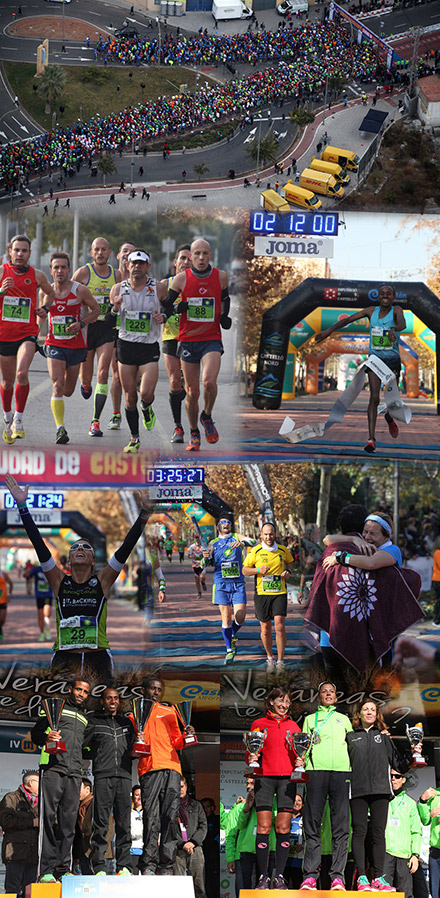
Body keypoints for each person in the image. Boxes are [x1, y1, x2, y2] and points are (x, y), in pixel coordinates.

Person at [5, 475, 154, 681]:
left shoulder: (102, 581)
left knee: (99, 711)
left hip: (98, 658)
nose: (80, 548)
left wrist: (145, 513)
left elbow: (125, 548)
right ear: (69, 560)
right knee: (60, 711)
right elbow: (39, 544)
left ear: (93, 560)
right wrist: (22, 505)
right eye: (75, 547)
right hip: (65, 658)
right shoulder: (59, 581)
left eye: (86, 547)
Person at [315, 285, 406, 453]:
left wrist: (394, 328)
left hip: (392, 360)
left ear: (393, 297)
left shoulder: (397, 310)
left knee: (394, 401)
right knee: (374, 397)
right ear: (378, 298)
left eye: (388, 294)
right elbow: (347, 320)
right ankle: (371, 438)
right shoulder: (371, 311)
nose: (385, 296)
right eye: (382, 294)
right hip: (375, 361)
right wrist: (329, 331)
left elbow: (402, 323)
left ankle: (388, 417)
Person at [162, 238, 230, 452]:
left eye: (205, 253)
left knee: (209, 382)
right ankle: (193, 432)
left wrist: (225, 316)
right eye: (197, 254)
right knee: (192, 392)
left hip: (211, 338)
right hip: (188, 339)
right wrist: (177, 308)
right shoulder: (180, 280)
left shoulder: (221, 277)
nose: (201, 258)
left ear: (210, 255)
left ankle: (207, 416)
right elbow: (167, 306)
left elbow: (225, 299)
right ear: (191, 256)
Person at [31, 679, 91, 883]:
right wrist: (47, 739)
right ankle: (46, 871)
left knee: (68, 824)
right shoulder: (54, 707)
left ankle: (63, 869)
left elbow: (86, 745)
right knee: (49, 821)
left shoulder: (85, 716)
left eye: (85, 692)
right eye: (78, 689)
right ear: (70, 689)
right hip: (53, 768)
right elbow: (36, 734)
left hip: (75, 773)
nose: (81, 694)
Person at [109, 249, 167, 454]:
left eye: (141, 264)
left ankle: (147, 407)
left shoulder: (158, 288)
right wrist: (115, 308)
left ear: (147, 267)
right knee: (129, 396)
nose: (137, 267)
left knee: (146, 393)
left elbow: (168, 308)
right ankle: (134, 438)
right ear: (127, 265)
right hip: (125, 346)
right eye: (133, 263)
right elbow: (109, 320)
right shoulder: (118, 288)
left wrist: (164, 317)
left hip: (148, 346)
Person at [137, 676, 195, 876]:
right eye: (152, 688)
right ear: (144, 690)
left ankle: (166, 866)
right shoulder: (135, 714)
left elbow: (178, 742)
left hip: (171, 767)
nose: (155, 692)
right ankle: (148, 865)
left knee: (170, 818)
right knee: (151, 819)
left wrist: (187, 734)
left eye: (158, 690)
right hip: (149, 769)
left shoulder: (169, 711)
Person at [0, 234, 55, 443]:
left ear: (30, 253)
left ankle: (19, 420)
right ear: (10, 252)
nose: (20, 254)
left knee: (22, 373)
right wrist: (0, 290)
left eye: (24, 250)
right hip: (4, 334)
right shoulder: (1, 272)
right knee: (7, 382)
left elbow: (50, 293)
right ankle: (7, 418)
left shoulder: (38, 275)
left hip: (27, 333)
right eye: (17, 250)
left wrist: (45, 308)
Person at [246, 687, 301, 890]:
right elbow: (251, 751)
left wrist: (300, 760)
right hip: (265, 779)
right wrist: (251, 757)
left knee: (283, 828)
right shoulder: (259, 724)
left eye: (287, 702)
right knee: (263, 828)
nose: (284, 705)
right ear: (270, 702)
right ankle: (263, 877)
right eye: (280, 700)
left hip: (288, 780)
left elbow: (299, 753)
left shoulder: (294, 726)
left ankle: (278, 876)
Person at [43, 252, 100, 444]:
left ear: (69, 270)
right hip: (54, 343)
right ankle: (60, 429)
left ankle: (74, 388)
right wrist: (35, 333)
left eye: (63, 267)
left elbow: (97, 310)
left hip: (76, 346)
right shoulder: (46, 291)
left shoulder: (80, 290)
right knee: (57, 385)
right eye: (56, 267)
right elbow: (41, 314)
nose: (59, 271)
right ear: (50, 271)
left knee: (68, 390)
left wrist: (82, 323)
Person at [300, 681, 352, 891]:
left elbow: (353, 745)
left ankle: (337, 876)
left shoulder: (344, 719)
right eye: (324, 692)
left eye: (332, 691)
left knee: (340, 825)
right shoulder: (310, 719)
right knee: (312, 823)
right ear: (319, 697)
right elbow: (302, 747)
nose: (328, 694)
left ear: (336, 697)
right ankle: (310, 876)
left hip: (341, 772)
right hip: (316, 771)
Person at [346, 698, 400, 892]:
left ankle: (379, 878)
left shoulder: (384, 737)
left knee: (378, 833)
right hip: (358, 790)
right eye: (365, 709)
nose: (369, 712)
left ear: (377, 715)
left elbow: (397, 763)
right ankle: (361, 877)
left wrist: (413, 753)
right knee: (359, 832)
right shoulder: (350, 737)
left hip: (381, 790)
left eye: (372, 710)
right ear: (359, 714)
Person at [84, 686, 136, 876]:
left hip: (124, 776)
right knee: (101, 824)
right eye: (109, 698)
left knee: (124, 824)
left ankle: (124, 867)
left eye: (115, 698)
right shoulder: (94, 721)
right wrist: (96, 755)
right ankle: (99, 867)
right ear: (102, 701)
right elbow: (82, 746)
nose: (113, 701)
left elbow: (134, 746)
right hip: (103, 776)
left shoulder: (127, 723)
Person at [73, 237, 122, 437]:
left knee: (103, 373)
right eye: (96, 250)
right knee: (87, 377)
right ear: (91, 253)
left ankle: (95, 421)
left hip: (106, 328)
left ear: (109, 252)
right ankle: (84, 383)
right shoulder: (83, 272)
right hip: (87, 328)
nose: (100, 253)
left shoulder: (117, 275)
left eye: (103, 250)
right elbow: (68, 294)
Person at [242, 521, 293, 671]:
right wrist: (257, 570)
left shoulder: (283, 550)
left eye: (271, 534)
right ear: (261, 535)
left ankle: (281, 662)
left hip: (279, 593)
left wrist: (288, 572)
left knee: (279, 625)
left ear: (275, 534)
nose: (269, 537)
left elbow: (290, 564)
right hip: (262, 594)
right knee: (265, 629)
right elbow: (245, 570)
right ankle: (270, 657)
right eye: (266, 534)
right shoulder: (255, 551)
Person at [203, 518, 248, 665]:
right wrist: (205, 558)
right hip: (221, 583)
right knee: (226, 616)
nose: (226, 525)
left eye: (228, 523)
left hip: (238, 583)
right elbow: (207, 562)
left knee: (240, 616)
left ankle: (232, 632)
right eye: (223, 523)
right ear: (218, 527)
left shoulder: (236, 536)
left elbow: (253, 541)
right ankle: (229, 650)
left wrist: (243, 544)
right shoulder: (213, 543)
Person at [160, 244, 191, 444]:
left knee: (189, 386)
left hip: (192, 337)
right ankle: (178, 428)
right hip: (171, 335)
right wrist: (174, 309)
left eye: (189, 259)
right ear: (175, 262)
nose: (186, 262)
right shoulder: (165, 284)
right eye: (183, 258)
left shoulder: (198, 285)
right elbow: (159, 311)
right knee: (174, 380)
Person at [107, 242, 136, 431]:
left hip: (136, 334)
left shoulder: (141, 278)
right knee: (116, 376)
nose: (127, 255)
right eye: (124, 251)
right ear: (118, 256)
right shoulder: (109, 277)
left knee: (134, 378)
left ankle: (134, 404)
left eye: (132, 253)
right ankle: (116, 414)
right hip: (112, 331)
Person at [0, 770, 39, 896]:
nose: (42, 785)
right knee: (12, 890)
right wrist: (31, 822)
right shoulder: (11, 797)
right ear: (30, 782)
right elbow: (6, 821)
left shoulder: (43, 801)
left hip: (33, 856)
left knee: (30, 892)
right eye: (39, 782)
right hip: (15, 854)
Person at [384, 768, 421, 895]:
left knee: (405, 893)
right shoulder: (382, 801)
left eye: (397, 776)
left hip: (404, 855)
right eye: (391, 776)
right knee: (383, 893)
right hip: (385, 853)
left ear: (404, 779)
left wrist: (415, 855)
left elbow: (416, 831)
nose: (393, 779)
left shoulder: (410, 804)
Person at [174, 776, 208, 897]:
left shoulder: (196, 805)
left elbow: (203, 826)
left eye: (182, 787)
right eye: (178, 787)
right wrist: (182, 844)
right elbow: (169, 829)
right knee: (177, 885)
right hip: (178, 850)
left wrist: (192, 842)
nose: (180, 790)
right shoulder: (171, 807)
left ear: (186, 787)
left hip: (195, 848)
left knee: (198, 885)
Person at [418, 784, 440, 898]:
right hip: (436, 852)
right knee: (435, 891)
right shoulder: (434, 794)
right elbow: (425, 820)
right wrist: (422, 800)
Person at [24, 563, 53, 642]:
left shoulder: (50, 567)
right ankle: (42, 633)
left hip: (48, 594)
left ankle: (47, 628)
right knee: (40, 615)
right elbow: (27, 575)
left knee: (47, 613)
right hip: (39, 595)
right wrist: (26, 573)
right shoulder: (36, 569)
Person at [73, 778, 94, 874]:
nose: (76, 791)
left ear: (87, 789)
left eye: (79, 788)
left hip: (95, 849)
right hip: (83, 850)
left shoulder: (96, 803)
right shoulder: (78, 806)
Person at [200, 797, 220, 898]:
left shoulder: (217, 820)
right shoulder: (198, 821)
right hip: (202, 855)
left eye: (207, 807)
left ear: (213, 807)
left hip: (215, 857)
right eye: (203, 807)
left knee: (215, 881)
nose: (205, 810)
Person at [188, 534, 207, 598]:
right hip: (195, 565)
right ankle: (199, 592)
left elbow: (207, 554)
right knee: (197, 580)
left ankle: (203, 583)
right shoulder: (192, 547)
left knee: (202, 577)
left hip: (202, 564)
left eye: (198, 538)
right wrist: (192, 556)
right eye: (196, 538)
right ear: (194, 539)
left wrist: (205, 556)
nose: (197, 539)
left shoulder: (203, 546)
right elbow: (189, 555)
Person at [130, 785, 144, 874]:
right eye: (137, 795)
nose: (139, 797)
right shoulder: (129, 813)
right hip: (133, 850)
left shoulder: (148, 813)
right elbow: (129, 832)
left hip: (147, 852)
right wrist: (143, 832)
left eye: (141, 795)